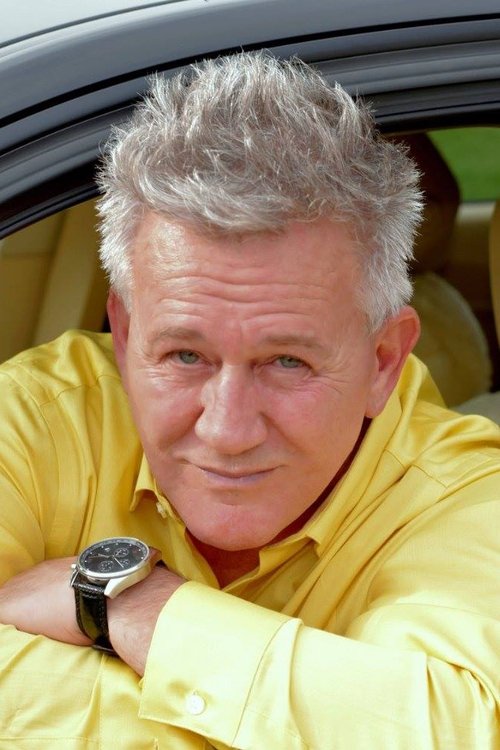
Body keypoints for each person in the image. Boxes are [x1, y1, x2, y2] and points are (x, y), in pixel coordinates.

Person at [0, 52, 498, 749]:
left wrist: (130, 605)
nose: (228, 430)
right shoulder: (34, 419)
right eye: (185, 356)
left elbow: (457, 730)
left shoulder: (471, 498)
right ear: (125, 334)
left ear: (383, 361)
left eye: (287, 362)